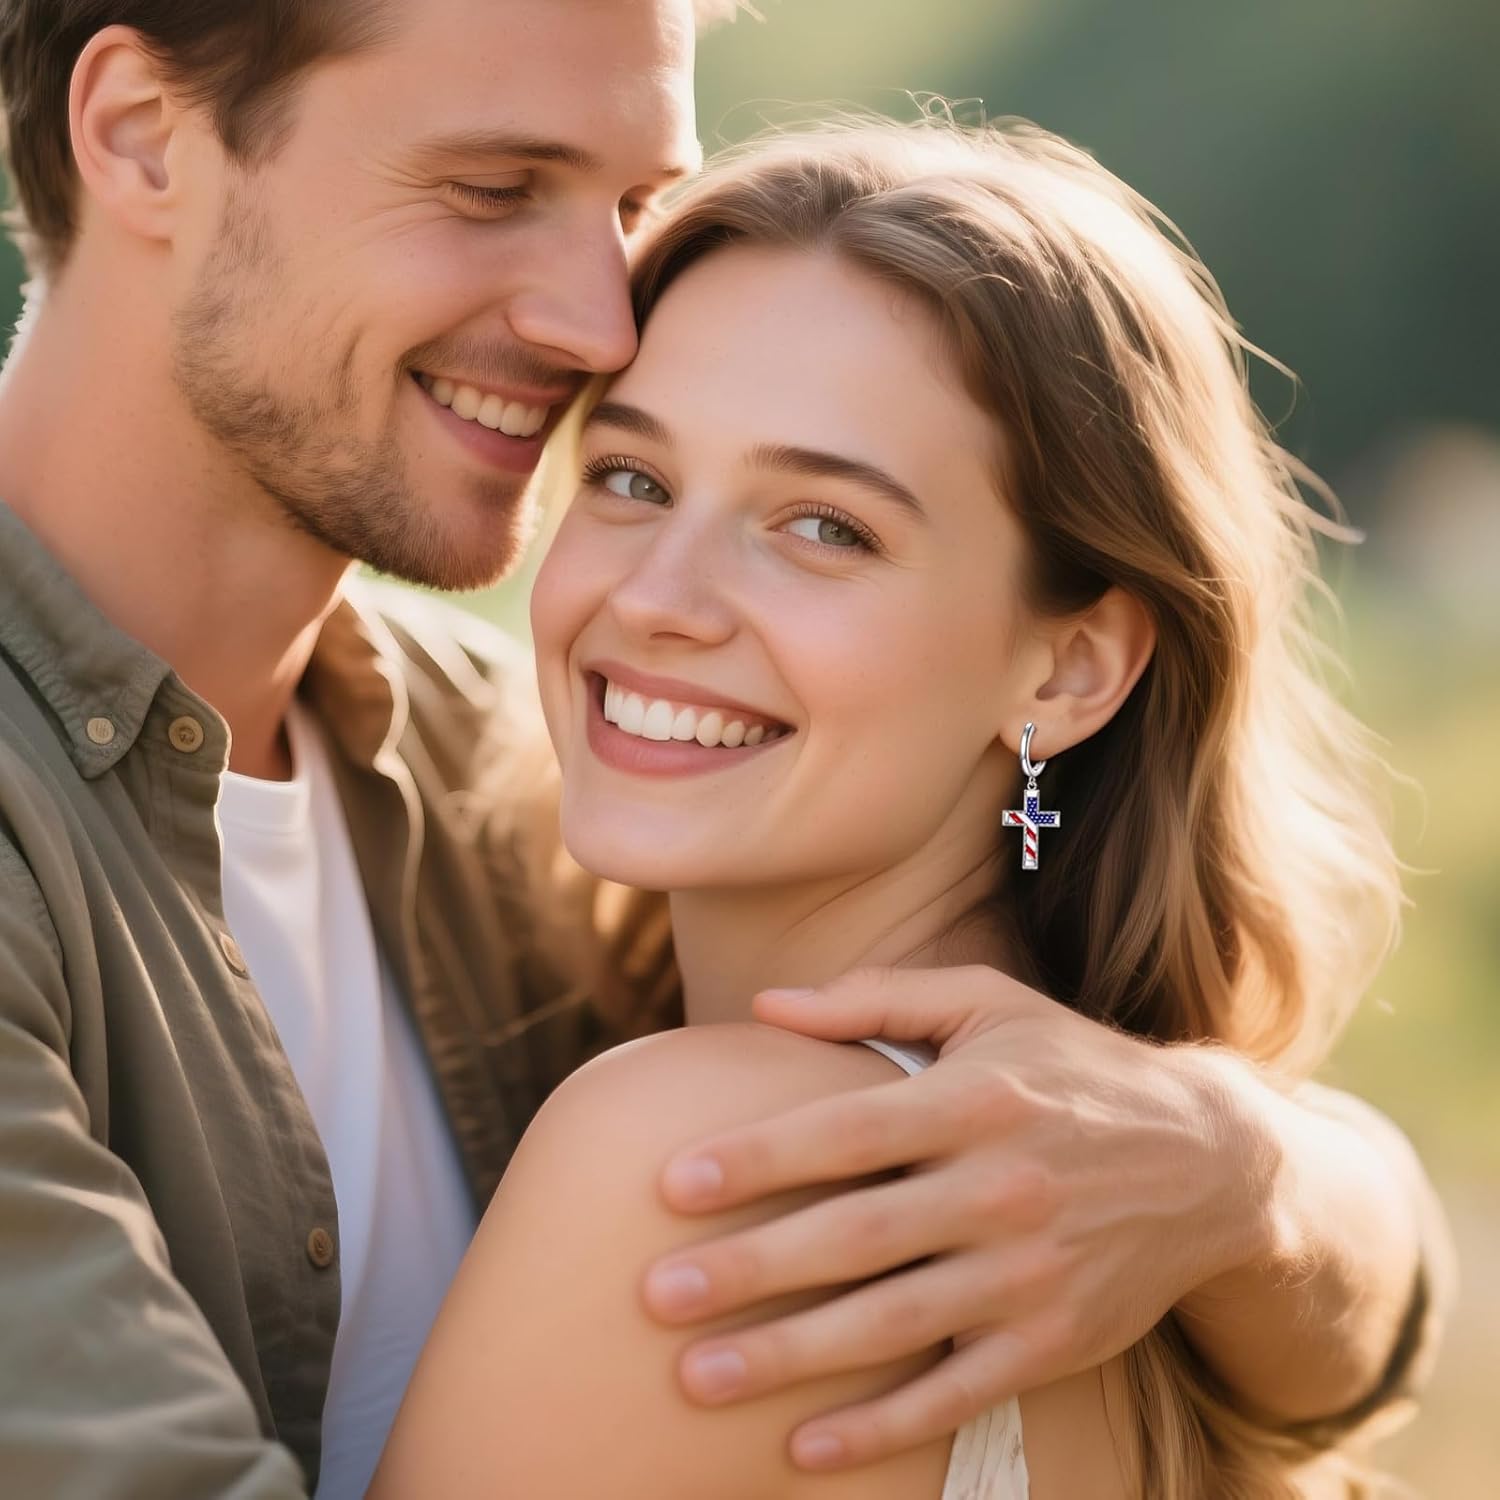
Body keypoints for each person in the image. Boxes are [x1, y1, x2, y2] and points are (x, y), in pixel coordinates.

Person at [0, 1, 1448, 1495]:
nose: (595, 318)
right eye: (493, 190)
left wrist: (1244, 1179)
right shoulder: (607, 825)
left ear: (1078, 664)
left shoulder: (514, 785)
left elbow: (1374, 1305)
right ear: (135, 133)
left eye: (632, 206)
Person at [369, 119, 1448, 1499]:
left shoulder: (699, 1164)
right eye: (633, 479)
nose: (652, 600)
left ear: (1069, 667)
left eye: (824, 526)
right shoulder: (1125, 1197)